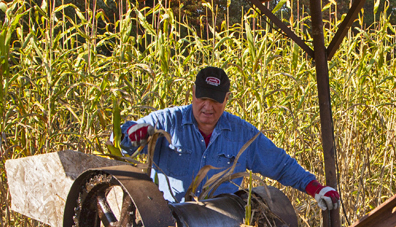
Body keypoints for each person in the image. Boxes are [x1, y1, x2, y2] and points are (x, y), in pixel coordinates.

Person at [119, 66, 340, 211]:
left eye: (215, 100)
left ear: (226, 99)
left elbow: (281, 165)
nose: (208, 107)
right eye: (202, 98)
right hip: (168, 223)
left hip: (222, 226)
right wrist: (131, 136)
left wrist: (316, 189)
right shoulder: (167, 121)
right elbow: (121, 139)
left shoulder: (241, 133)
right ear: (193, 93)